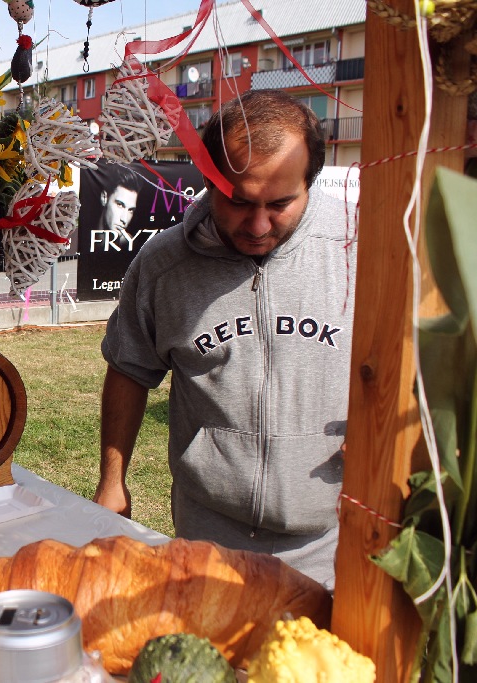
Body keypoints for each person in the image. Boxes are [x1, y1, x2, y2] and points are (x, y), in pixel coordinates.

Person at [93, 90, 355, 590]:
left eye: (280, 204)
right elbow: (129, 368)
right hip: (209, 539)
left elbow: (413, 361)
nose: (258, 225)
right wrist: (112, 481)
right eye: (238, 201)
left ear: (310, 183)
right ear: (208, 179)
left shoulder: (360, 250)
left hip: (335, 543)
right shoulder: (164, 265)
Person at [100, 172, 140, 237]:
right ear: (104, 198)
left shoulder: (131, 241)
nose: (124, 219)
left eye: (130, 210)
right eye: (120, 205)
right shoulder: (83, 235)